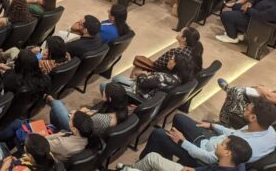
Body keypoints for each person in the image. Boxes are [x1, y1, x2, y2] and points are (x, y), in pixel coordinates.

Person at [139, 100, 276, 167]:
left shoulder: (244, 147)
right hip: (211, 142)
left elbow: (210, 159)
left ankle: (143, 166)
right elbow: (233, 132)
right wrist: (213, 125)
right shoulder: (267, 128)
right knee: (179, 118)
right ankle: (165, 156)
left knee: (159, 134)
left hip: (202, 158)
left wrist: (182, 142)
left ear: (253, 117)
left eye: (247, 110)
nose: (244, 109)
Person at [120, 135, 252, 171]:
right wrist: (195, 170)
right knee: (152, 157)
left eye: (222, 144)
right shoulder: (235, 164)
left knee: (151, 159)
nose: (218, 145)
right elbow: (210, 167)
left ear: (228, 153)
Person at [49, 83, 129, 136]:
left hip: (78, 131)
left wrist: (78, 113)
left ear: (110, 98)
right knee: (54, 112)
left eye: (105, 91)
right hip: (91, 125)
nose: (103, 91)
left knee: (57, 104)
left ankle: (48, 98)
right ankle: (56, 129)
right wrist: (88, 112)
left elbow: (84, 126)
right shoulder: (122, 109)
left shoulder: (102, 119)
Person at [133, 27, 204, 74]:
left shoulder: (175, 52)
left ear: (184, 39)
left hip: (164, 73)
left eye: (180, 32)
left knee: (138, 62)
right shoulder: (196, 50)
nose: (178, 32)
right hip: (180, 76)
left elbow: (157, 64)